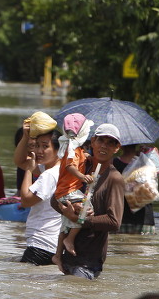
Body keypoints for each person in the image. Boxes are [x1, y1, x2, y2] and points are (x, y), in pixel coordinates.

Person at [50, 123, 124, 280]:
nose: (104, 146)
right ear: (92, 141)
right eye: (101, 140)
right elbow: (54, 200)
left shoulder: (114, 178)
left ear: (117, 148)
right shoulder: (81, 167)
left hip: (88, 260)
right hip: (67, 257)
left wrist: (79, 219)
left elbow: (114, 221)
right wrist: (71, 207)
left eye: (110, 143)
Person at [16, 119, 63, 265]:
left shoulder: (50, 175)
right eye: (37, 146)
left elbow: (25, 200)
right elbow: (20, 161)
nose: (39, 151)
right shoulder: (56, 169)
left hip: (41, 244)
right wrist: (25, 137)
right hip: (51, 244)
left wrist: (29, 171)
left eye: (45, 146)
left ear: (58, 150)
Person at [52, 113, 94, 270]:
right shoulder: (73, 148)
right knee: (87, 209)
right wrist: (83, 177)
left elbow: (77, 159)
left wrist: (87, 156)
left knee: (65, 222)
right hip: (69, 190)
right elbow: (70, 166)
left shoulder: (75, 148)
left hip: (63, 192)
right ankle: (70, 239)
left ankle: (57, 255)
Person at [113, 144, 156, 234]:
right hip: (145, 217)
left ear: (120, 146)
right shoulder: (146, 161)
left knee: (121, 247)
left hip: (121, 216)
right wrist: (148, 154)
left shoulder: (114, 163)